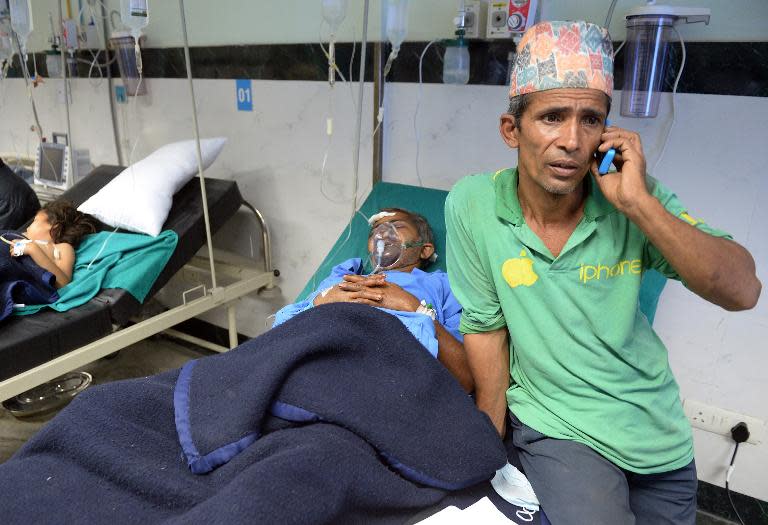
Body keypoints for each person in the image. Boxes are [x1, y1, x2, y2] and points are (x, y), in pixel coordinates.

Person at [444, 20, 761, 525]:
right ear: (512, 130)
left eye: (590, 120)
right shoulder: (474, 205)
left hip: (655, 430)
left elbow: (744, 291)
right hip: (560, 424)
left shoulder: (633, 199)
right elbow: (485, 328)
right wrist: (488, 450)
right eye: (552, 117)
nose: (572, 140)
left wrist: (639, 205)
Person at [274, 207, 472, 392]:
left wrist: (414, 307)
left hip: (385, 377)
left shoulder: (444, 286)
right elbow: (278, 337)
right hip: (315, 360)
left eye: (399, 225)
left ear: (425, 249)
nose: (384, 233)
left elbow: (467, 379)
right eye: (376, 230)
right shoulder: (341, 279)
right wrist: (317, 303)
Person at [6, 200, 99, 288]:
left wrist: (33, 250)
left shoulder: (63, 248)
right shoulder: (24, 236)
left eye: (35, 221)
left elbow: (62, 283)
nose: (28, 228)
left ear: (55, 228)